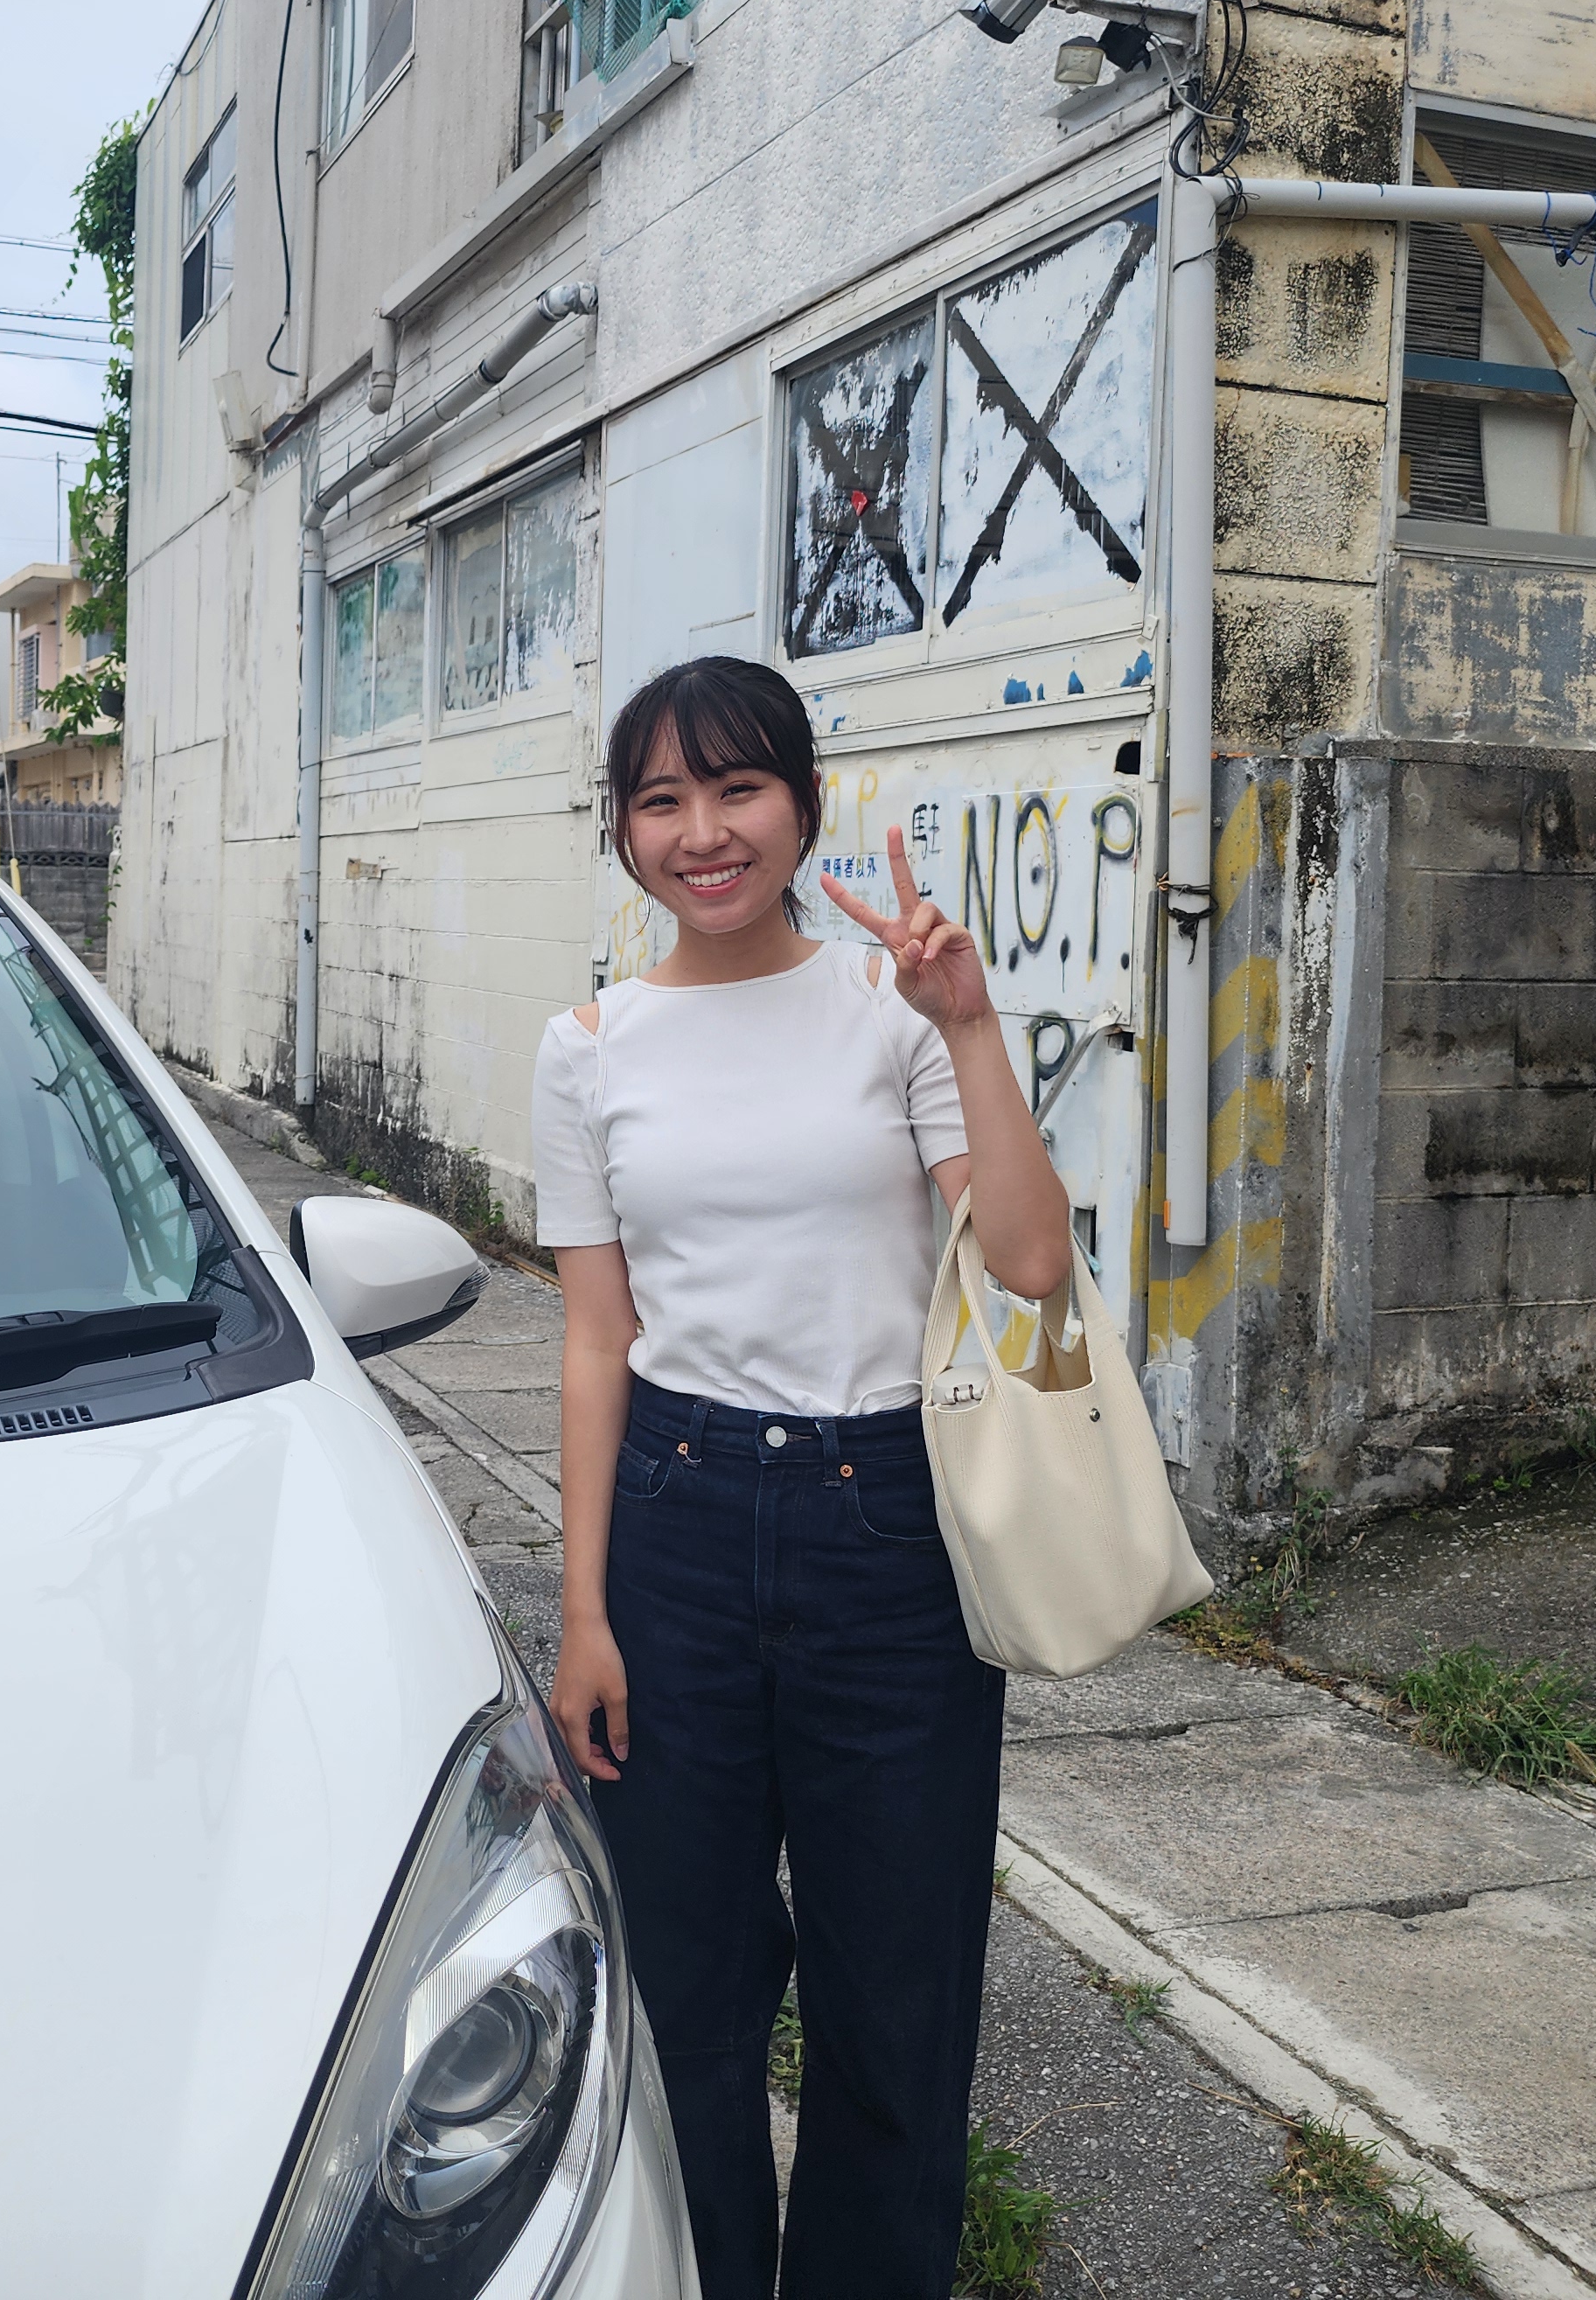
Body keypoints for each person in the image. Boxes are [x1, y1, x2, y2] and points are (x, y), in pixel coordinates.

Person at [531, 655, 1072, 2300]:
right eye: (662, 799)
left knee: (894, 1999)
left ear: (802, 804)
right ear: (624, 831)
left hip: (884, 1529)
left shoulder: (891, 1008)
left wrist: (968, 1021)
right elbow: (597, 1342)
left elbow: (1031, 1263)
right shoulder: (589, 1048)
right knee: (685, 1997)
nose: (704, 831)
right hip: (677, 1531)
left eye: (738, 787)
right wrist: (584, 1614)